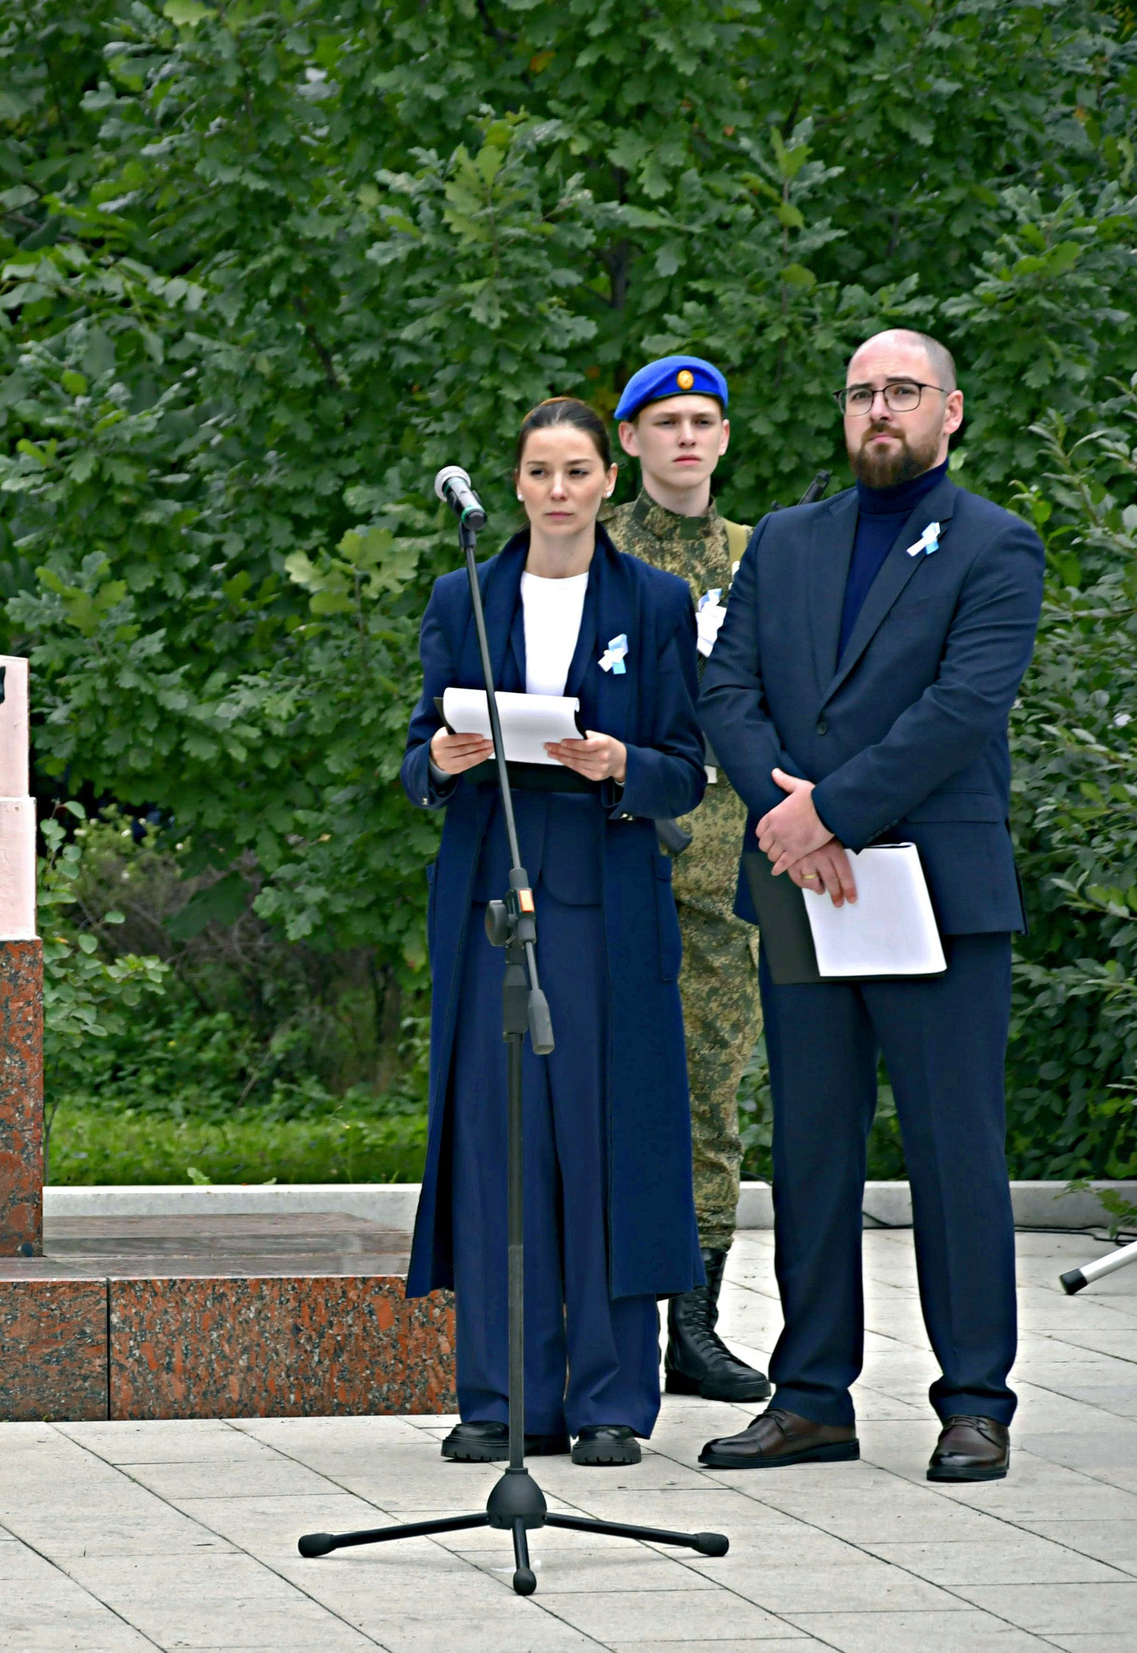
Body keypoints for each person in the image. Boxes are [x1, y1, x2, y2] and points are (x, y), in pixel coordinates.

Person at [696, 330, 1043, 1482]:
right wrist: (785, 819)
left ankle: (974, 1399)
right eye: (860, 394)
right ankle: (810, 1398)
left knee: (953, 1148)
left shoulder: (995, 543)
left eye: (902, 392)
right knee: (809, 1148)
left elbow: (963, 706)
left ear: (951, 412)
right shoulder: (788, 541)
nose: (878, 410)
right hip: (805, 887)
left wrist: (827, 809)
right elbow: (727, 689)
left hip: (934, 890)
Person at [402, 397, 707, 1468]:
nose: (559, 490)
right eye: (539, 472)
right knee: (501, 1151)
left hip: (602, 908)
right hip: (492, 903)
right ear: (518, 483)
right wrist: (436, 763)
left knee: (602, 1142)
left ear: (606, 483)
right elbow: (413, 749)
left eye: (577, 470)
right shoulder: (464, 596)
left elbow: (686, 764)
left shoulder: (654, 601)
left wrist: (620, 763)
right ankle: (500, 1396)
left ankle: (611, 1397)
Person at [603, 356, 773, 1404]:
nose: (684, 439)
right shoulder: (590, 549)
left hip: (727, 861)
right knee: (595, 1080)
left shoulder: (761, 558)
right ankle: (594, 1313)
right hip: (613, 844)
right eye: (664, 421)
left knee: (710, 1086)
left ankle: (696, 1324)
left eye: (702, 420)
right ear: (628, 440)